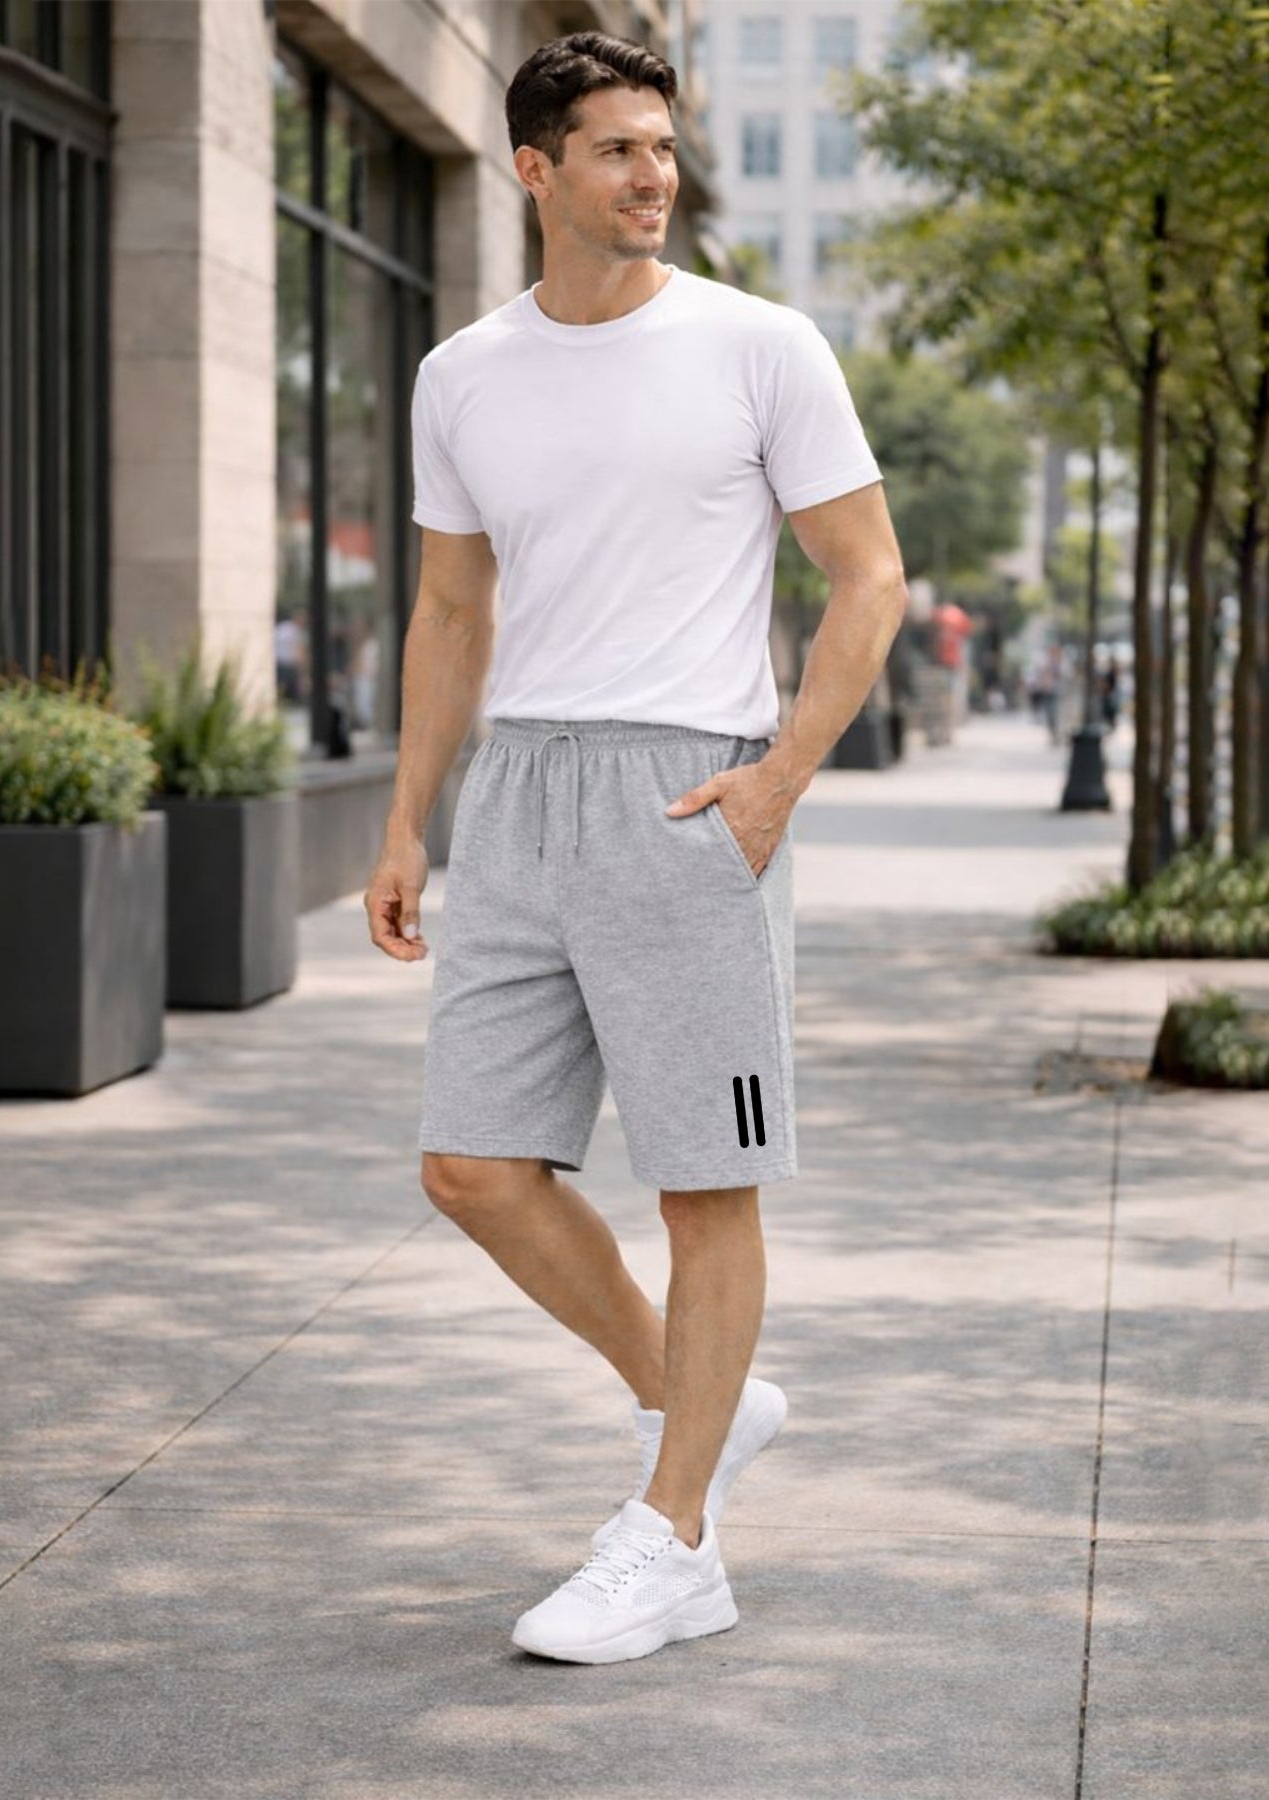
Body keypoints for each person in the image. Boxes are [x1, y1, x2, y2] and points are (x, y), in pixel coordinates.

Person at [363, 31, 906, 1665]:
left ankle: (674, 1538)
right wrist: (406, 820)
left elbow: (866, 577)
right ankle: (695, 1400)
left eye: (660, 146)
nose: (652, 174)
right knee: (470, 1166)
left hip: (687, 793)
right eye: (614, 148)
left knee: (703, 1179)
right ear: (535, 170)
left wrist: (775, 783)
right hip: (518, 794)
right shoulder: (462, 374)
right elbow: (451, 610)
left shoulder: (758, 347)